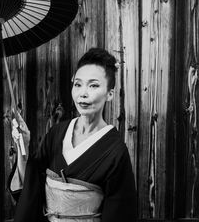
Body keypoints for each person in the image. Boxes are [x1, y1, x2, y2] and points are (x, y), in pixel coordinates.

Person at [8, 48, 137, 222]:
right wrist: (23, 148)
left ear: (110, 94)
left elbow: (119, 214)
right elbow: (30, 189)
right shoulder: (57, 133)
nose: (83, 93)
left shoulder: (115, 151)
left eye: (93, 85)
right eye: (78, 84)